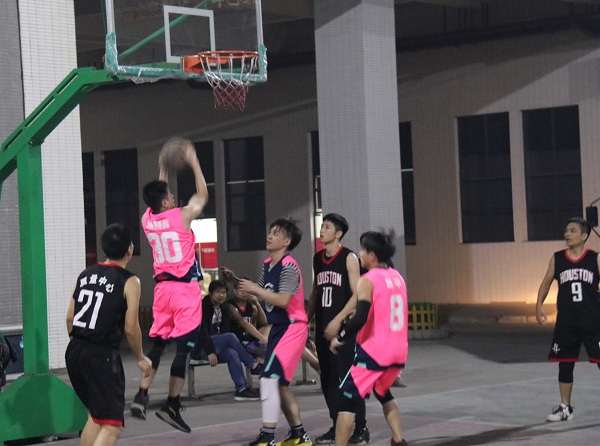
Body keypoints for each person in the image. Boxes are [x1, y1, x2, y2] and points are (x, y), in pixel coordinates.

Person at [130, 137, 208, 433]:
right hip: (185, 290)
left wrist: (163, 167)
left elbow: (157, 196)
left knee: (159, 345)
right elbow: (202, 195)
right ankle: (172, 404)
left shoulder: (147, 220)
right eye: (171, 196)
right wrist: (194, 162)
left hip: (162, 291)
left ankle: (141, 396)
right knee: (184, 349)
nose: (174, 198)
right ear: (166, 202)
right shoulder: (182, 216)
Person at [222, 217, 313, 446]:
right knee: (279, 383)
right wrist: (236, 281)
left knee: (268, 377)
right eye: (270, 231)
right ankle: (299, 435)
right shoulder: (267, 264)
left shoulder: (289, 266)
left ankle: (268, 436)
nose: (270, 235)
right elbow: (261, 291)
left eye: (276, 233)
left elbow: (282, 300)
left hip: (292, 327)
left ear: (287, 241)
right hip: (279, 329)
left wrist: (254, 288)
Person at [65, 223, 153, 446]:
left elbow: (70, 318)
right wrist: (140, 357)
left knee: (96, 415)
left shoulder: (85, 274)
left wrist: (81, 344)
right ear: (130, 249)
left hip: (75, 352)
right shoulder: (130, 280)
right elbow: (131, 327)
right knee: (112, 424)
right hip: (101, 356)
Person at [330, 229, 408, 446]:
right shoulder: (397, 277)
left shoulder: (368, 279)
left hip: (375, 351)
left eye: (363, 250)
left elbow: (360, 319)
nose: (360, 254)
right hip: (398, 351)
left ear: (372, 255)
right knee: (383, 392)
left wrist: (340, 338)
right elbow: (384, 309)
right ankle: (398, 440)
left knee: (346, 400)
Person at [306, 213, 369, 445]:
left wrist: (338, 320)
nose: (322, 230)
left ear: (338, 233)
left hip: (343, 331)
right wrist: (305, 321)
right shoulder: (318, 258)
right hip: (323, 329)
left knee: (348, 380)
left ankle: (361, 428)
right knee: (329, 379)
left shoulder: (349, 257)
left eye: (327, 227)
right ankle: (337, 426)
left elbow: (357, 294)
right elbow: (315, 293)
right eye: (322, 226)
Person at [535, 217, 600, 422]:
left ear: (584, 235)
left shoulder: (595, 259)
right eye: (566, 231)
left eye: (572, 231)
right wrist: (538, 305)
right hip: (567, 322)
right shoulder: (558, 259)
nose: (567, 234)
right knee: (565, 364)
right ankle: (565, 409)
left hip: (593, 322)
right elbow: (546, 282)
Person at [189, 279, 262, 401]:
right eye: (217, 292)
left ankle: (241, 389)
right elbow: (202, 332)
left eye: (223, 292)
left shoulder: (224, 307)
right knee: (230, 337)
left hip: (216, 345)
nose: (221, 295)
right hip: (201, 348)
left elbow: (224, 329)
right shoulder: (203, 306)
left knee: (232, 353)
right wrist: (210, 352)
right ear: (210, 293)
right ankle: (252, 364)